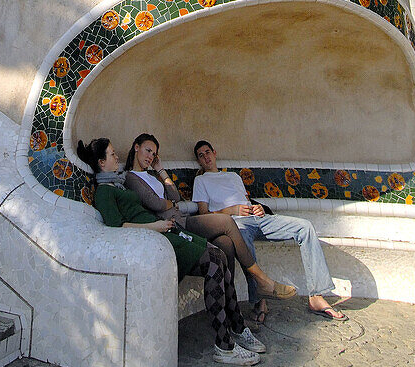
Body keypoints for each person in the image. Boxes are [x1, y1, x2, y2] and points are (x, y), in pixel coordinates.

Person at [77, 136, 262, 365]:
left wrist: (164, 204)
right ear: (101, 163)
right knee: (214, 262)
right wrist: (154, 225)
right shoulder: (105, 191)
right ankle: (224, 346)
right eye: (112, 154)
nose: (117, 156)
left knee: (220, 255)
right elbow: (118, 227)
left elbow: (171, 200)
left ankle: (237, 326)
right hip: (157, 236)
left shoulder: (117, 183)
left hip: (167, 230)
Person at [124, 133, 293, 328]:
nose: (150, 157)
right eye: (147, 151)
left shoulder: (152, 174)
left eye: (153, 154)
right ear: (136, 147)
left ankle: (232, 316)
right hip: (175, 227)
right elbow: (157, 203)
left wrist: (160, 170)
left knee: (225, 244)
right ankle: (262, 280)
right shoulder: (131, 177)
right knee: (226, 222)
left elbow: (174, 195)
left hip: (183, 221)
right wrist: (170, 203)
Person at [192, 140, 348, 321]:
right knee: (242, 240)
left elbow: (246, 201)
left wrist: (258, 208)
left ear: (215, 153)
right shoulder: (200, 181)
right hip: (235, 224)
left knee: (305, 227)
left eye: (207, 152)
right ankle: (260, 300)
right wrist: (231, 211)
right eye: (201, 156)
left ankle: (316, 296)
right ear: (199, 162)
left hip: (258, 218)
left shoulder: (233, 177)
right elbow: (204, 214)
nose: (206, 157)